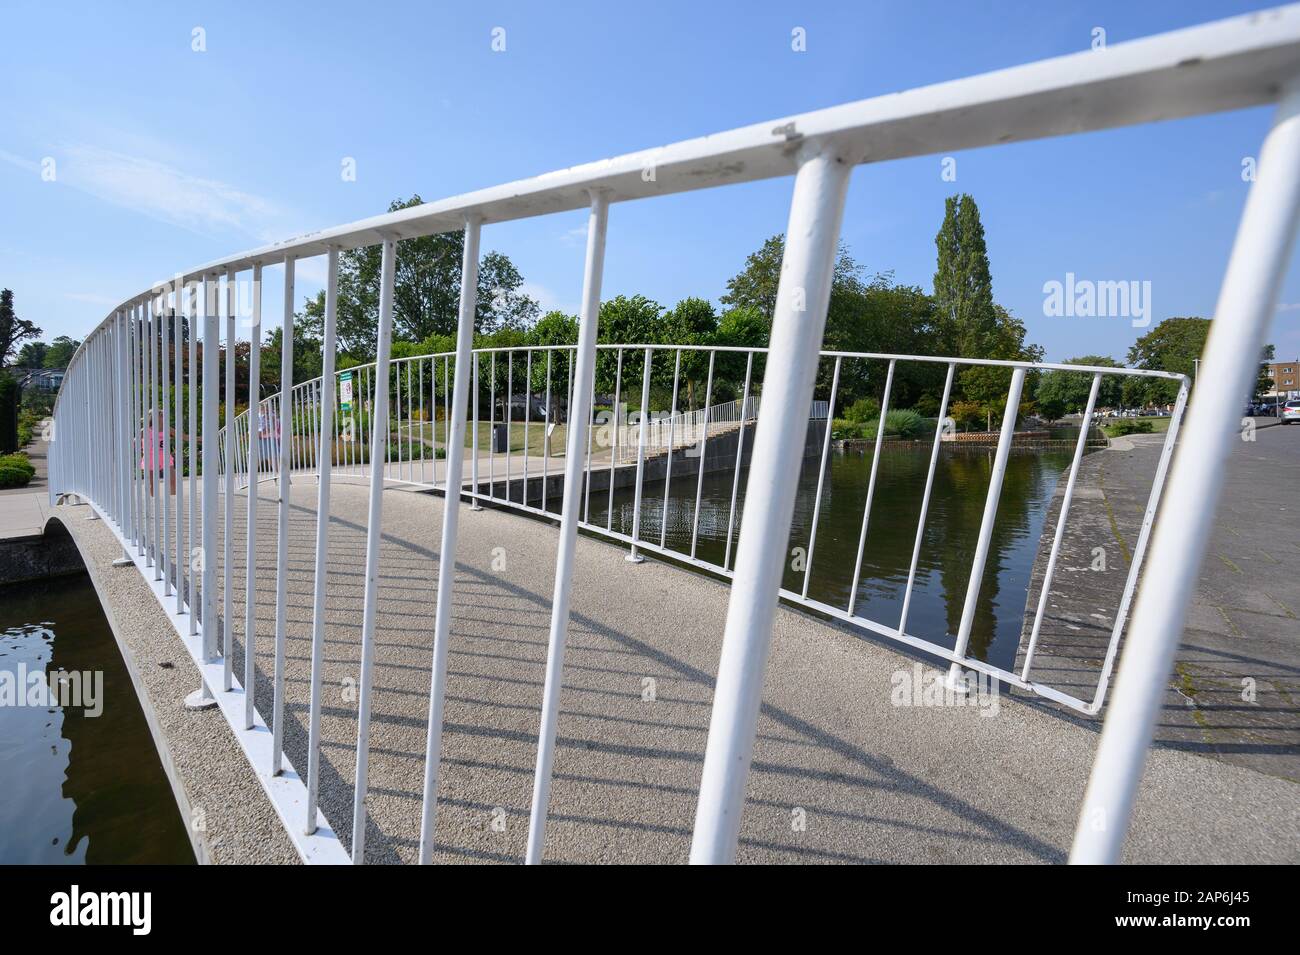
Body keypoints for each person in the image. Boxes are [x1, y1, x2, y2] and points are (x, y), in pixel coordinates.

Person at [140, 409, 176, 495]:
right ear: (153, 417)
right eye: (160, 414)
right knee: (152, 485)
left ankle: (173, 500)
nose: (163, 416)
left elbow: (184, 437)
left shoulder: (168, 429)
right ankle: (152, 502)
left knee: (172, 481)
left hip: (165, 456)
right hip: (150, 458)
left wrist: (201, 438)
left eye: (163, 414)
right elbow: (135, 441)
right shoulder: (145, 430)